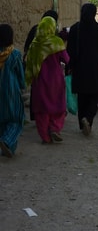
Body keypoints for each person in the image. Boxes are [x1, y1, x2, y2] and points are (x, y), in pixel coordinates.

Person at [66, 3, 98, 136]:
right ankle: (88, 119)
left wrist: (69, 67)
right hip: (95, 68)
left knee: (82, 97)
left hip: (79, 67)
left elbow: (70, 50)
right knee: (94, 96)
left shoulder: (75, 29)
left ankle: (82, 123)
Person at [25, 16, 69, 144]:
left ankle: (45, 136)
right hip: (56, 80)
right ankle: (55, 128)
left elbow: (29, 63)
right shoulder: (57, 43)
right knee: (58, 106)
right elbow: (66, 59)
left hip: (40, 81)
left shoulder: (34, 44)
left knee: (42, 109)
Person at [0, 24, 26, 157]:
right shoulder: (15, 54)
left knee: (2, 120)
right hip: (11, 92)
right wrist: (23, 87)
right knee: (16, 119)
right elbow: (20, 75)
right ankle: (7, 141)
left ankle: (8, 148)